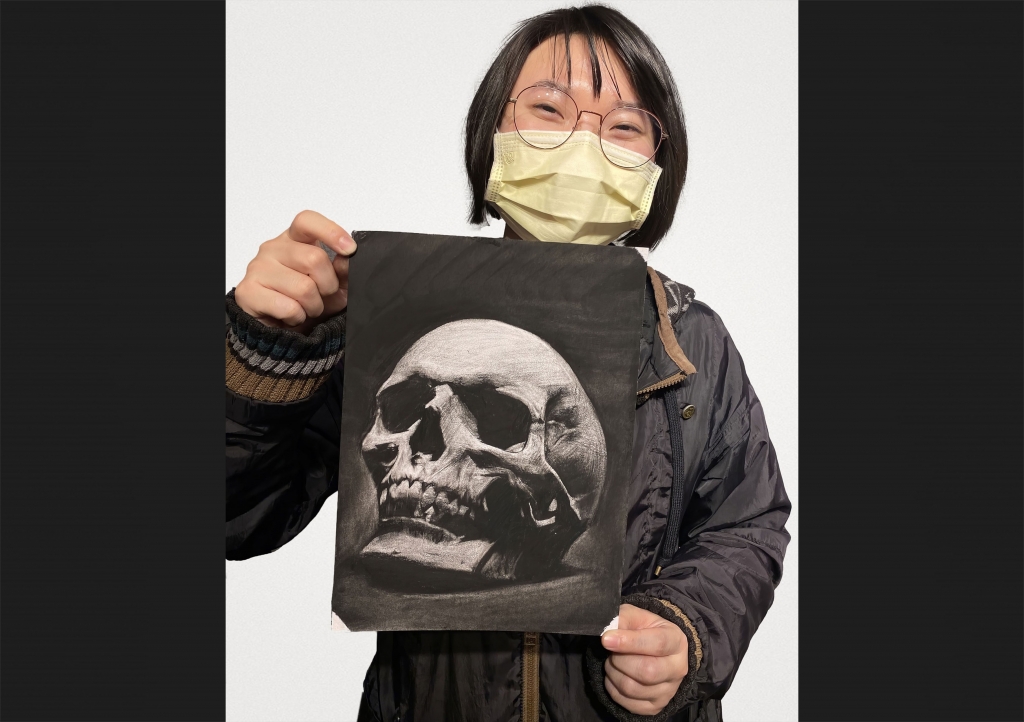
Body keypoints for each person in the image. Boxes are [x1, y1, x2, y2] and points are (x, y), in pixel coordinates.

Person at [225, 6, 790, 722]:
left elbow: (747, 522)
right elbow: (238, 518)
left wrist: (688, 625)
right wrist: (269, 350)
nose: (583, 144)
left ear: (657, 163)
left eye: (624, 127)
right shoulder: (390, 322)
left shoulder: (692, 341)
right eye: (548, 110)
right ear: (493, 131)